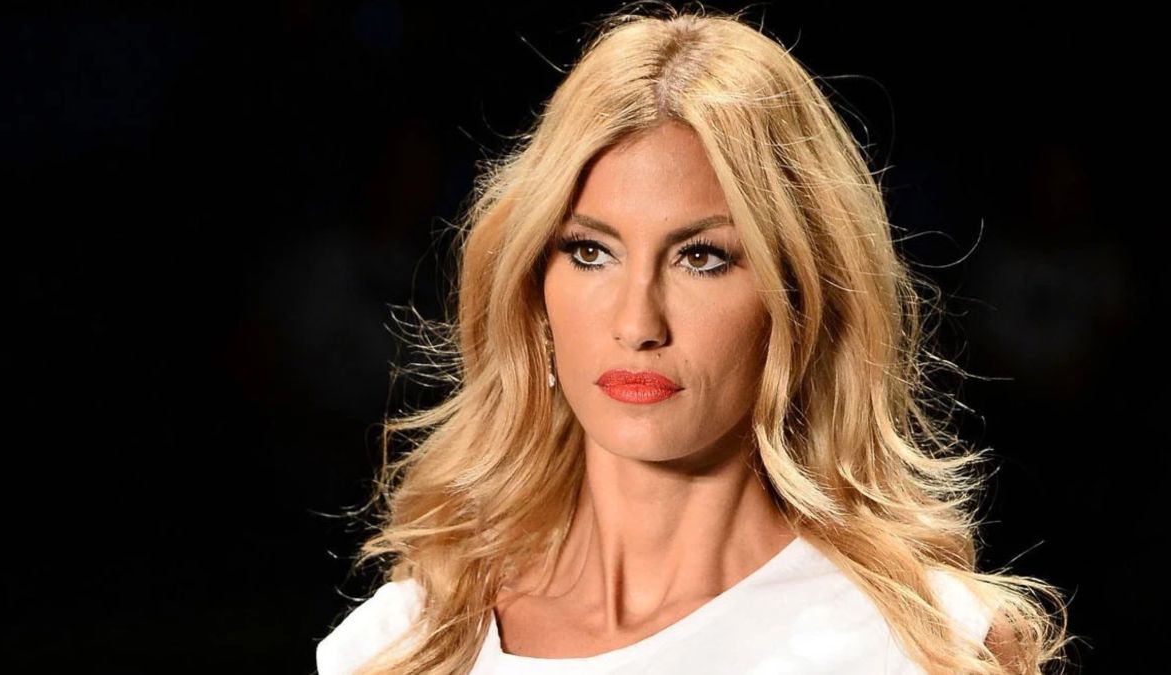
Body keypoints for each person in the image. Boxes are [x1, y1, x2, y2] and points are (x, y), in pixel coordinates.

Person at [316, 7, 1072, 675]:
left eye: (702, 257)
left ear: (799, 299)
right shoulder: (403, 646)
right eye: (591, 251)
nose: (637, 323)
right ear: (533, 292)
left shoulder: (920, 647)